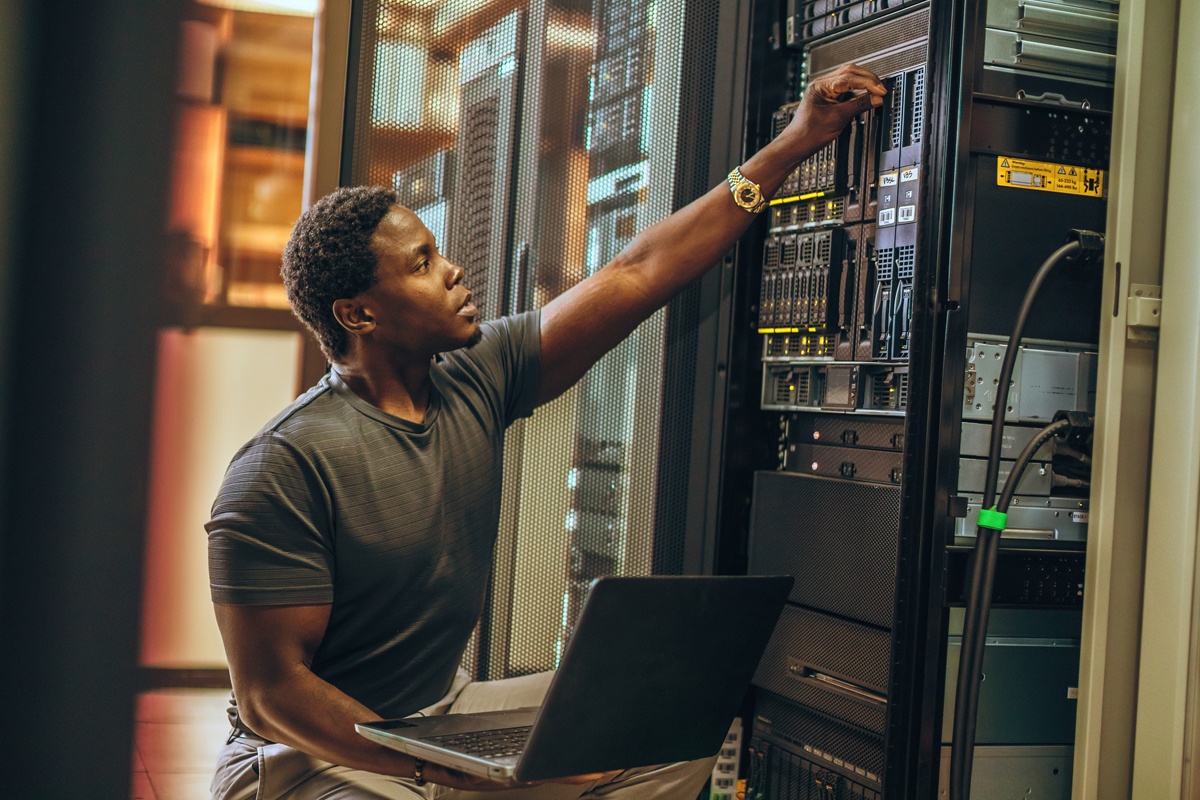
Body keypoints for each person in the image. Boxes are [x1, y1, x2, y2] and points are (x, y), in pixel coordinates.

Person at [207, 63, 886, 800]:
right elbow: (275, 696)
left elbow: (636, 271)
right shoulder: (284, 466)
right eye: (424, 264)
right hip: (319, 757)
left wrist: (798, 140)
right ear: (358, 314)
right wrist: (443, 768)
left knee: (666, 732)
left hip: (439, 716)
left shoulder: (477, 375)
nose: (455, 271)